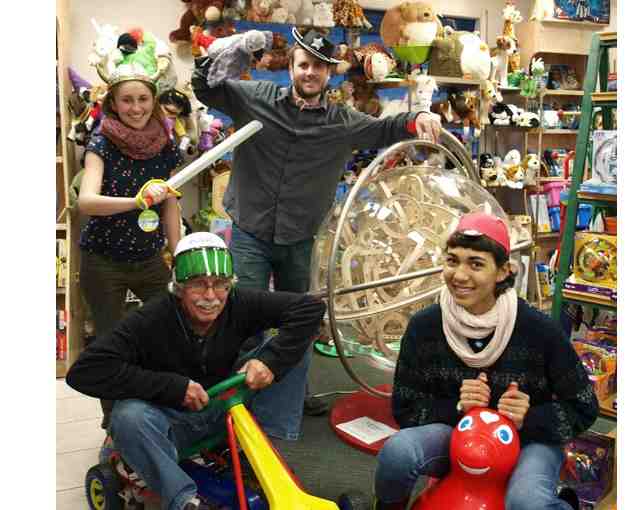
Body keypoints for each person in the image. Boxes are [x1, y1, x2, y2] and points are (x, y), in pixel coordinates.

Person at [190, 27, 443, 440]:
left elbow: (386, 129)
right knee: (246, 321)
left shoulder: (343, 122)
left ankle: (289, 394)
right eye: (304, 64)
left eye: (319, 67)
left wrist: (419, 118)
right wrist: (216, 53)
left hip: (301, 239)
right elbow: (206, 89)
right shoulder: (254, 98)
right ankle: (244, 406)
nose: (310, 73)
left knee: (299, 324)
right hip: (251, 230)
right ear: (291, 66)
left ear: (329, 74)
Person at [66, 232, 326, 510]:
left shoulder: (239, 302)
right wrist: (174, 388)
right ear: (179, 287)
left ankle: (261, 455)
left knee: (294, 350)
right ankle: (184, 501)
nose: (211, 296)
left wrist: (270, 362)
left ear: (230, 285)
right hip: (171, 422)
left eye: (220, 284)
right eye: (198, 284)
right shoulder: (151, 318)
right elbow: (83, 371)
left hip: (225, 408)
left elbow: (311, 309)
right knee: (129, 416)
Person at [374, 212, 599, 510]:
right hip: (457, 433)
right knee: (398, 453)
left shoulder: (539, 329)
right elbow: (405, 408)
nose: (459, 275)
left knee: (527, 502)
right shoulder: (425, 326)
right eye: (452, 260)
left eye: (476, 264)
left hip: (528, 440)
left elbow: (584, 407)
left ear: (503, 271)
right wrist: (459, 407)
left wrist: (528, 417)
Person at [78, 62, 183, 431]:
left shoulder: (165, 144)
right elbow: (86, 202)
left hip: (149, 258)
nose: (135, 108)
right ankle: (115, 425)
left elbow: (170, 202)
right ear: (113, 103)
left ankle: (162, 412)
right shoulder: (101, 142)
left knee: (170, 329)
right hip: (102, 261)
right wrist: (135, 202)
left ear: (153, 101)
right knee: (110, 345)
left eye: (142, 99)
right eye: (127, 100)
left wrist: (179, 252)